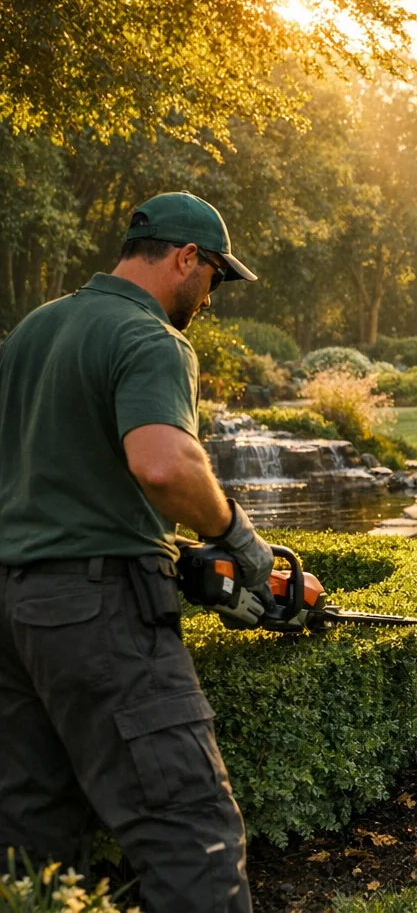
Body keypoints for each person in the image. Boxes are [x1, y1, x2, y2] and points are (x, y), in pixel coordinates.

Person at [0, 191, 276, 911]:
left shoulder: (34, 331)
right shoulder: (148, 337)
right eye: (213, 277)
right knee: (191, 830)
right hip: (99, 614)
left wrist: (162, 544)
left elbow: (51, 476)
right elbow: (164, 465)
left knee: (32, 840)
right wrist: (235, 540)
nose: (209, 299)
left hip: (12, 610)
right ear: (187, 258)